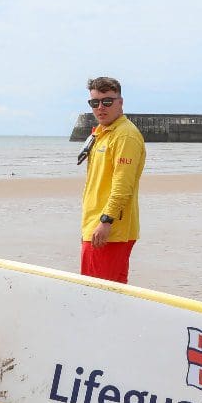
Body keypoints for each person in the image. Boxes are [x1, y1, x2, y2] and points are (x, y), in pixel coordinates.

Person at [79, 76, 146, 283]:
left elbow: (122, 185)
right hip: (94, 226)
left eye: (107, 101)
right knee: (103, 290)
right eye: (95, 102)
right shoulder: (102, 133)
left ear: (120, 102)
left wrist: (106, 221)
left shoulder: (125, 136)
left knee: (99, 292)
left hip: (110, 229)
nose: (101, 107)